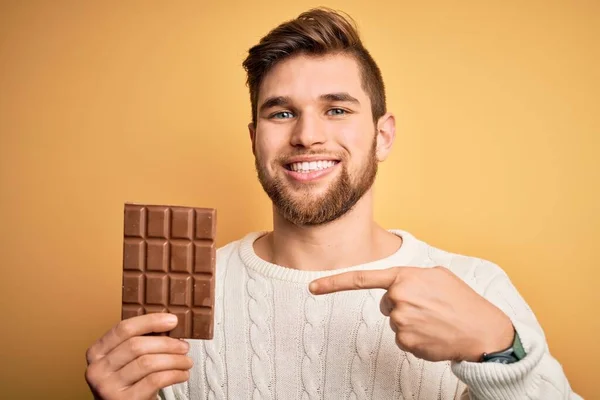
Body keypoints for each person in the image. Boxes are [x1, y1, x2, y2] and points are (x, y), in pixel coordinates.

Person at [84, 7, 581, 400]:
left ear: (382, 136)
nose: (307, 135)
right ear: (255, 138)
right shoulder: (179, 299)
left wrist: (498, 352)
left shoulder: (477, 287)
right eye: (282, 113)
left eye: (337, 109)